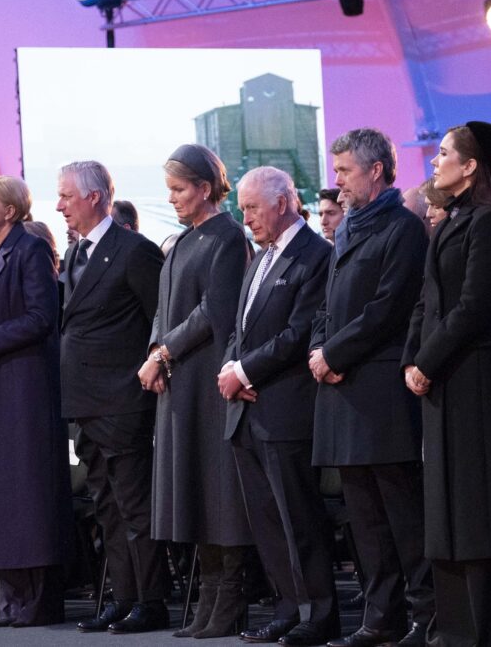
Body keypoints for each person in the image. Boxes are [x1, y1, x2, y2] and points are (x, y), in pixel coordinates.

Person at [403, 121, 491, 645]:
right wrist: (412, 359)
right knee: (448, 512)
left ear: (471, 165)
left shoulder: (490, 222)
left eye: (444, 154)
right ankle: (455, 632)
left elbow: (475, 307)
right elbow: (429, 300)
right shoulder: (454, 217)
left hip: (473, 377)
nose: (435, 162)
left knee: (479, 513)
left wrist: (426, 362)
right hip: (444, 378)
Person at [310, 129, 433, 647]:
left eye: (344, 172)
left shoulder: (402, 229)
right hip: (343, 391)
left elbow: (387, 309)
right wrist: (318, 350)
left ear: (376, 171)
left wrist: (334, 354)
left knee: (402, 515)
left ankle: (426, 617)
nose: (336, 184)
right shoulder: (347, 230)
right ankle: (379, 618)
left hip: (380, 390)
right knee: (364, 519)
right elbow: (328, 303)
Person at [217, 166, 338, 645]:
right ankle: (288, 609)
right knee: (267, 523)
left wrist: (244, 372)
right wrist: (229, 369)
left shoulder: (317, 255)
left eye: (252, 207)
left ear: (284, 202)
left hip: (287, 410)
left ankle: (320, 614)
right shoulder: (259, 258)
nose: (246, 218)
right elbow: (239, 330)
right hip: (247, 411)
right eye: (242, 208)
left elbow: (298, 333)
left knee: (299, 520)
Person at [138, 145, 253, 638]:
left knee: (216, 496)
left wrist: (164, 353)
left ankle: (227, 600)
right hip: (178, 385)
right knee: (191, 495)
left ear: (206, 188)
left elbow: (215, 309)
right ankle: (207, 598)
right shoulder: (183, 241)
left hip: (206, 383)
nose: (174, 199)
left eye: (180, 189)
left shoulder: (227, 238)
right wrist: (155, 352)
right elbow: (163, 309)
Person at [56, 161, 168, 634]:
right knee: (107, 506)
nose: (59, 204)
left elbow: (157, 321)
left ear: (96, 197)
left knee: (135, 506)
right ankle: (123, 596)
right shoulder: (75, 252)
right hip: (84, 403)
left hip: (124, 399)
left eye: (65, 196)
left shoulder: (134, 251)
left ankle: (153, 599)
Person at [0, 175, 73, 627]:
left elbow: (41, 317)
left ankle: (38, 600)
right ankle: (11, 598)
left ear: (10, 210)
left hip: (25, 388)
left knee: (28, 495)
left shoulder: (30, 248)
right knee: (3, 497)